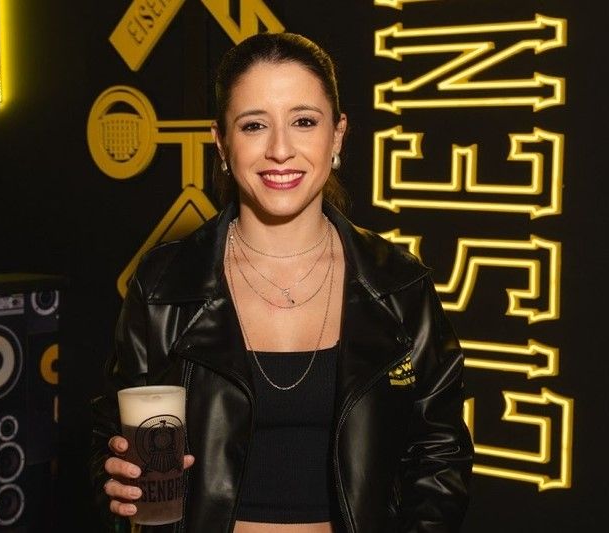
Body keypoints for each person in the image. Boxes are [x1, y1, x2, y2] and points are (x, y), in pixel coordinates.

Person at [91, 32, 473, 533]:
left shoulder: (398, 284)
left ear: (337, 135)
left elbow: (440, 454)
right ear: (221, 142)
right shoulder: (164, 284)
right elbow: (108, 438)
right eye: (254, 125)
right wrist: (112, 475)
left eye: (304, 121)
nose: (280, 150)